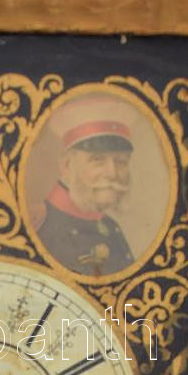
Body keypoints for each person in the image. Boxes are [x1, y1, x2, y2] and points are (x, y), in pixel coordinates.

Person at [36, 101, 135, 277]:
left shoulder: (110, 226)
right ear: (66, 165)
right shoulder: (40, 223)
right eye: (98, 160)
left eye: (121, 161)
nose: (112, 173)